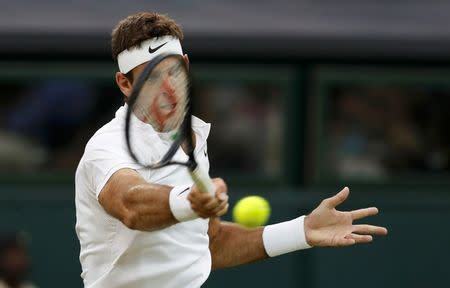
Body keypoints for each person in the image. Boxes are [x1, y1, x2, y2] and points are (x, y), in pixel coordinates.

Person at [75, 12, 388, 288]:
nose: (169, 88)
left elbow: (212, 244)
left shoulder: (192, 140)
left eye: (173, 71)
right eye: (152, 77)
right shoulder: (106, 146)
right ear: (125, 84)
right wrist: (188, 202)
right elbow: (130, 204)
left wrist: (302, 231)